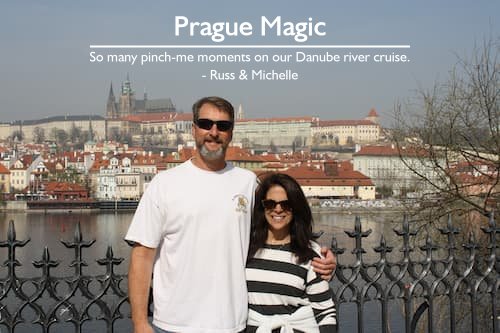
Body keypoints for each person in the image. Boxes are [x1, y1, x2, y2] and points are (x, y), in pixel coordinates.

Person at [126, 96, 335, 333]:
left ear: (231, 132)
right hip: (174, 324)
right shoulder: (164, 183)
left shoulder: (248, 182)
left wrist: (319, 256)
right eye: (206, 124)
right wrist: (140, 322)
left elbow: (279, 228)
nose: (213, 132)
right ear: (194, 128)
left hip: (233, 325)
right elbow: (142, 257)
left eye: (222, 126)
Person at [246, 173, 337, 333]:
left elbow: (325, 312)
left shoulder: (310, 255)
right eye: (270, 204)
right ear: (262, 207)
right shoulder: (246, 250)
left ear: (295, 208)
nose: (278, 209)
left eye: (286, 204)